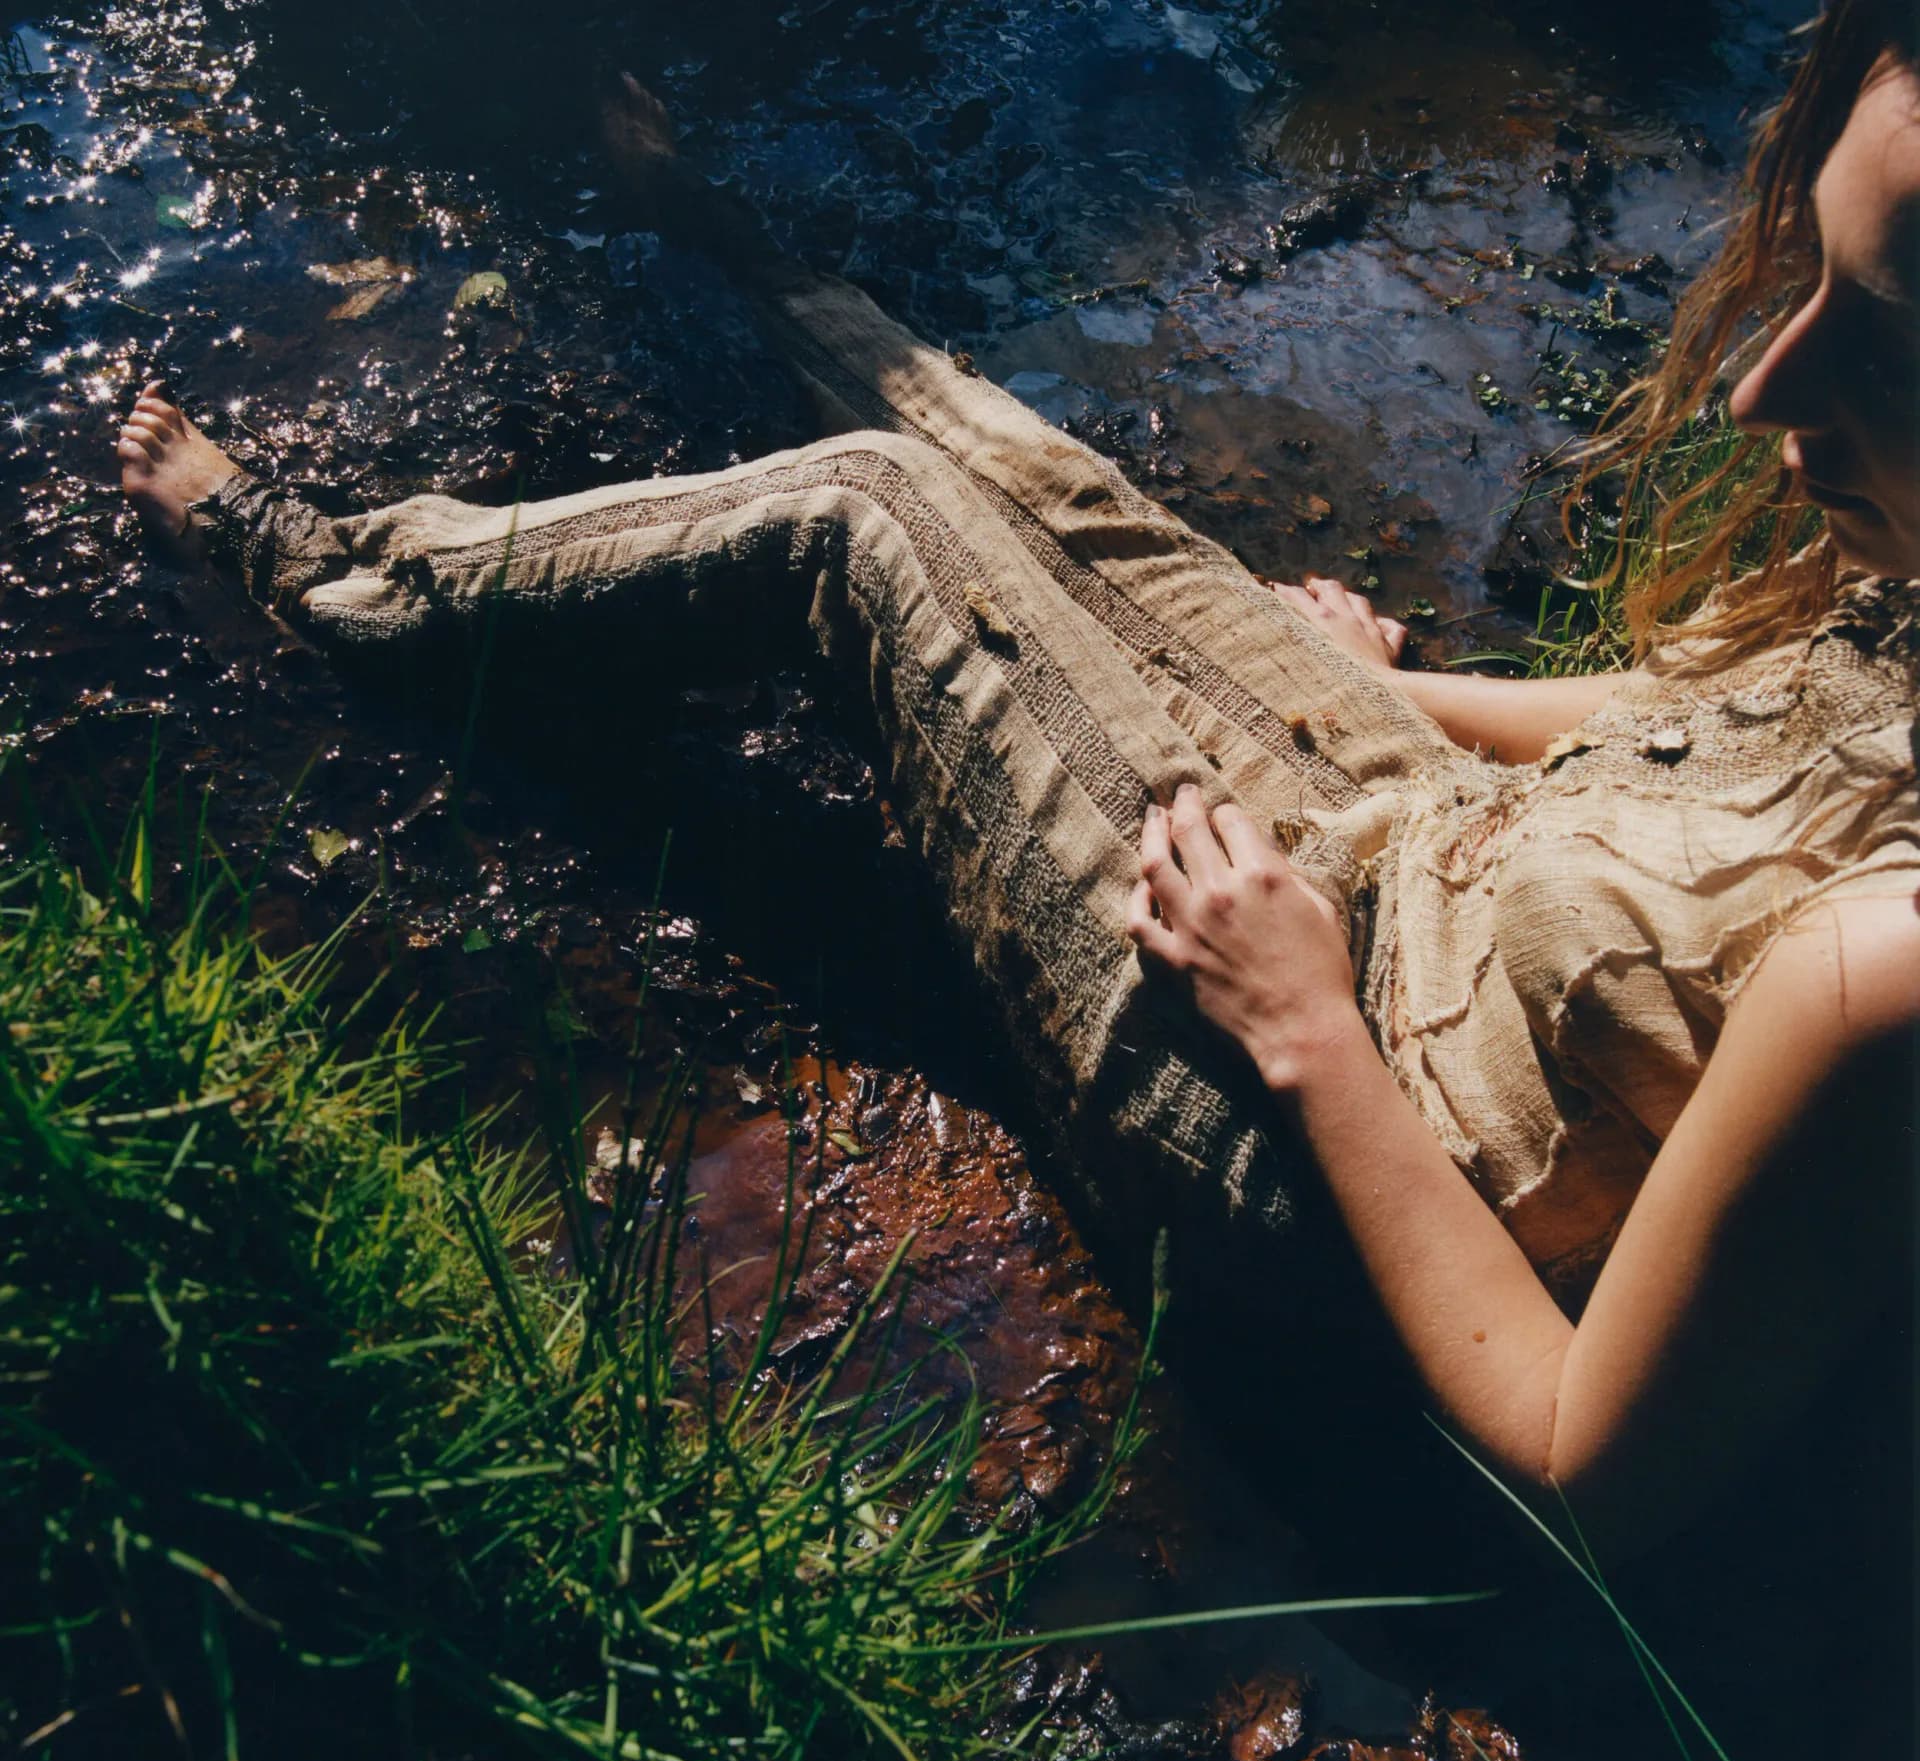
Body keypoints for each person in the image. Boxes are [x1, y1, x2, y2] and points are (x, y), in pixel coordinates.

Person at [117, 3, 1917, 1581]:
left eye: (1884, 341)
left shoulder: (1886, 979)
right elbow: (1699, 717)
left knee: (865, 517)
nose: (1768, 383)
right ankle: (702, 225)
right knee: (1035, 478)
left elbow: (1579, 1467)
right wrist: (1384, 687)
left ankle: (310, 562)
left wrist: (1305, 1032)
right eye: (1811, 285)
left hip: (1334, 1121)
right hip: (1428, 826)